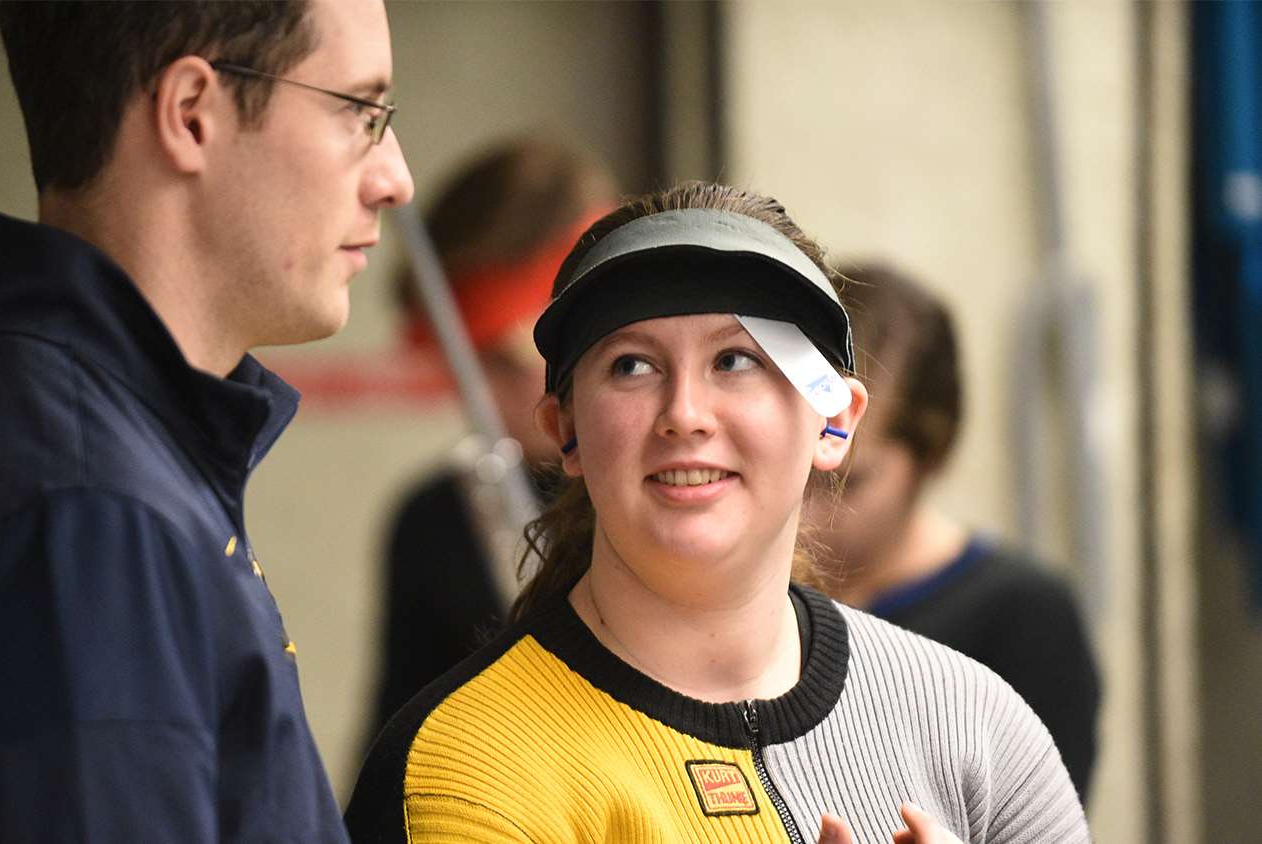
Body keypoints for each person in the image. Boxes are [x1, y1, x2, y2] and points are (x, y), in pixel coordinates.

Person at [346, 183, 1088, 843]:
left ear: (835, 421)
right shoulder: (465, 774)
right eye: (632, 365)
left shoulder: (973, 723)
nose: (685, 414)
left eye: (737, 361)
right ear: (564, 429)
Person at [0, 2, 413, 841]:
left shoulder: (106, 458)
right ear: (191, 115)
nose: (394, 175)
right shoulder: (83, 522)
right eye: (359, 111)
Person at [810, 263, 1101, 799]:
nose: (810, 514)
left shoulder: (1022, 618)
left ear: (931, 452)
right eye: (799, 474)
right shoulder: (755, 602)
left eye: (849, 484)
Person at [368, 137, 616, 739]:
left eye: (505, 363)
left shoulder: (695, 496)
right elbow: (393, 751)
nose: (482, 403)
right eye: (462, 369)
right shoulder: (437, 523)